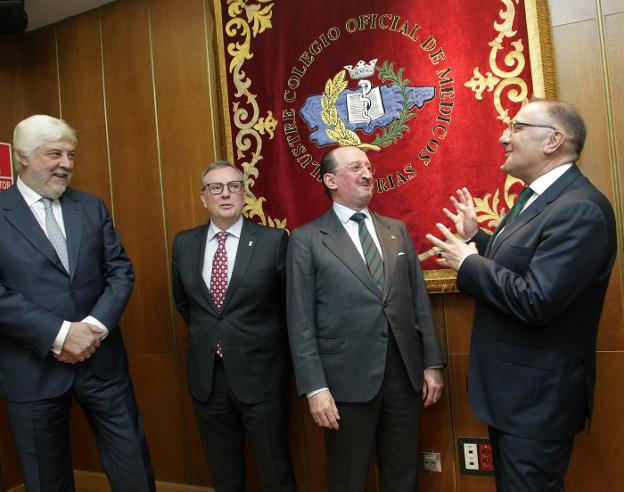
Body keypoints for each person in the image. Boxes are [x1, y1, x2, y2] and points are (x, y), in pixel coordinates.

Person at [427, 99, 617, 491]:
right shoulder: (534, 198)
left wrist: (469, 264)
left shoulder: (580, 209)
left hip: (537, 402)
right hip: (515, 398)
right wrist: (474, 239)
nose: (503, 136)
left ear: (553, 141)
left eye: (515, 127)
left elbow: (537, 299)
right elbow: (519, 268)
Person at [0, 115, 155, 491]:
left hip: (102, 363)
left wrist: (93, 330)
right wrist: (61, 334)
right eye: (54, 154)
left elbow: (120, 272)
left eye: (70, 155)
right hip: (32, 369)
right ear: (23, 157)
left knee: (134, 470)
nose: (66, 164)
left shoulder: (90, 207)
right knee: (46, 480)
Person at [287, 145, 445, 492]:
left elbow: (418, 301)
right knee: (348, 479)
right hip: (344, 382)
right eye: (355, 167)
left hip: (403, 377)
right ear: (330, 179)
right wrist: (316, 388)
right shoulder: (307, 239)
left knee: (402, 476)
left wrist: (432, 363)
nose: (366, 173)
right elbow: (300, 321)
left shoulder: (396, 230)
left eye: (369, 166)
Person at [171, 161, 297, 492]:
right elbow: (186, 304)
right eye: (215, 187)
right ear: (203, 198)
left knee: (274, 468)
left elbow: (288, 308)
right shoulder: (184, 244)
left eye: (233, 186)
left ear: (244, 194)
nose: (225, 194)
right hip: (207, 376)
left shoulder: (273, 241)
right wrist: (215, 337)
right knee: (223, 470)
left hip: (262, 375)